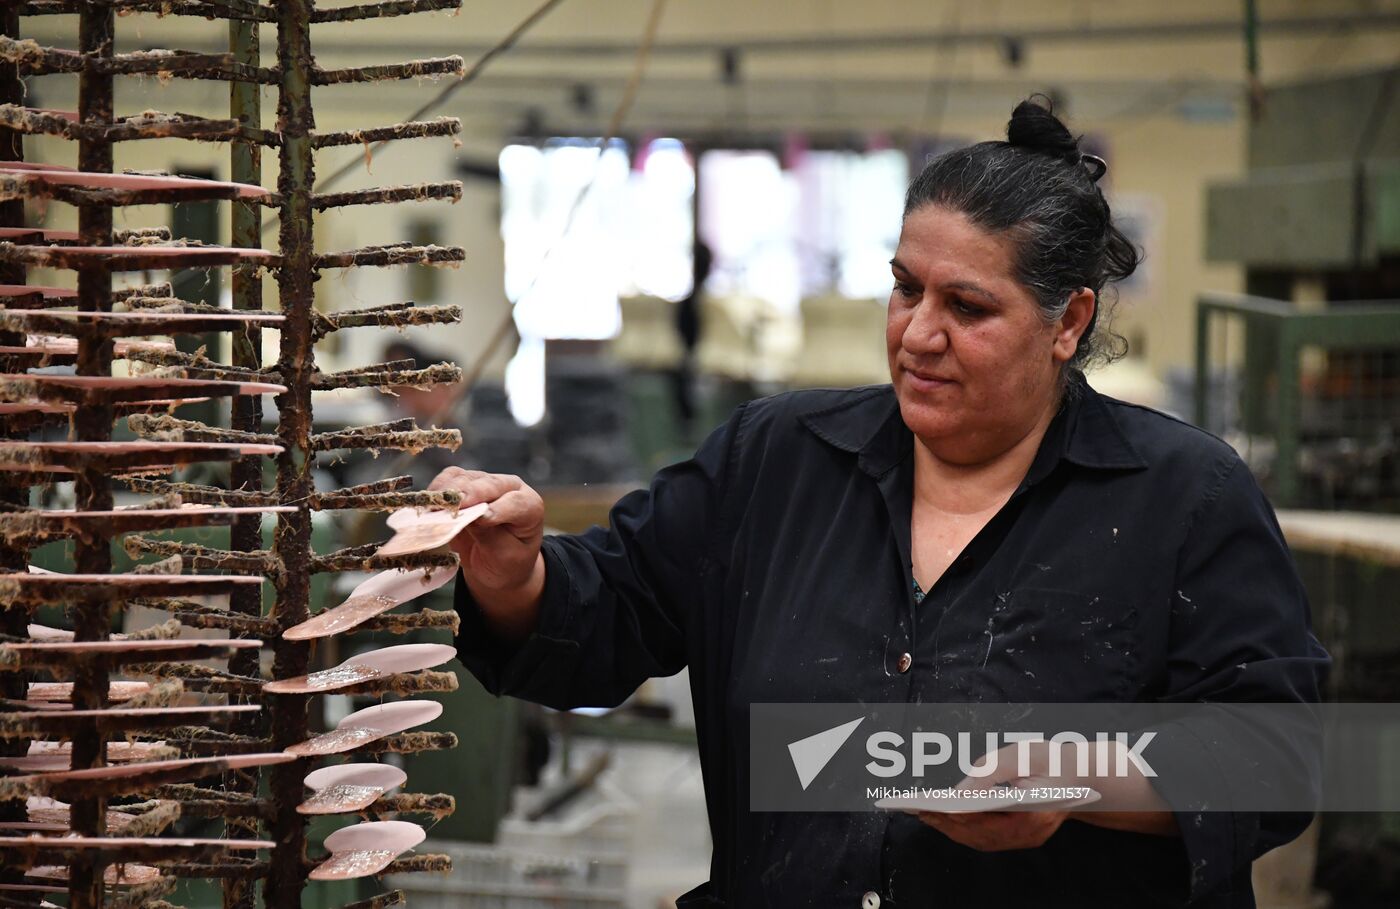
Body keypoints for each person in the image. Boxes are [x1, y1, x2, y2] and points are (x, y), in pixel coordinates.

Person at [432, 98, 1328, 907]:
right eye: (906, 289)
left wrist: (1078, 781)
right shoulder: (776, 459)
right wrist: (517, 576)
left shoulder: (1184, 497)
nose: (918, 334)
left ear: (1068, 323)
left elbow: (1281, 756)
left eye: (968, 306)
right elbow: (608, 612)